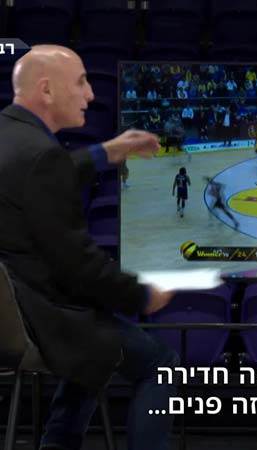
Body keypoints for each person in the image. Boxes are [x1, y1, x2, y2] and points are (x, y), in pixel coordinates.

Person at [0, 45, 178, 450]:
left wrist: (105, 152)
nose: (91, 94)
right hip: (41, 317)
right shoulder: (40, 155)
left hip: (11, 310)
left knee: (98, 338)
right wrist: (141, 295)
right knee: (160, 363)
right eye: (81, 82)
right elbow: (78, 265)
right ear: (47, 90)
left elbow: (39, 176)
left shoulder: (9, 135)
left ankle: (59, 443)